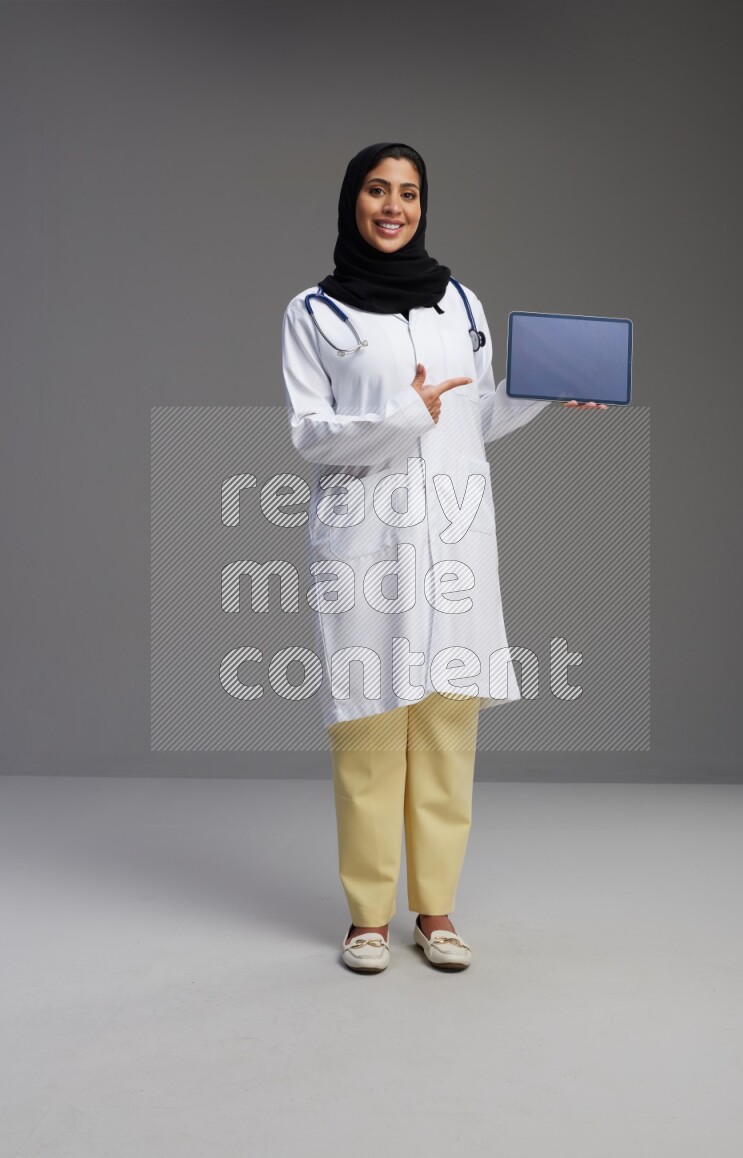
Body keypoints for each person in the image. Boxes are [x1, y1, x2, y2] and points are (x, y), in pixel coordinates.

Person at [281, 141, 606, 973]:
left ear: (424, 207)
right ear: (353, 200)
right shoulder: (316, 314)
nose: (394, 207)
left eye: (410, 194)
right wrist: (405, 414)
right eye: (379, 191)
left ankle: (436, 911)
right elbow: (312, 435)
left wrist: (541, 389)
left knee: (447, 729)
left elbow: (478, 418)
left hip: (454, 537)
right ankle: (365, 916)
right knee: (370, 729)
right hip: (366, 541)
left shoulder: (461, 302)